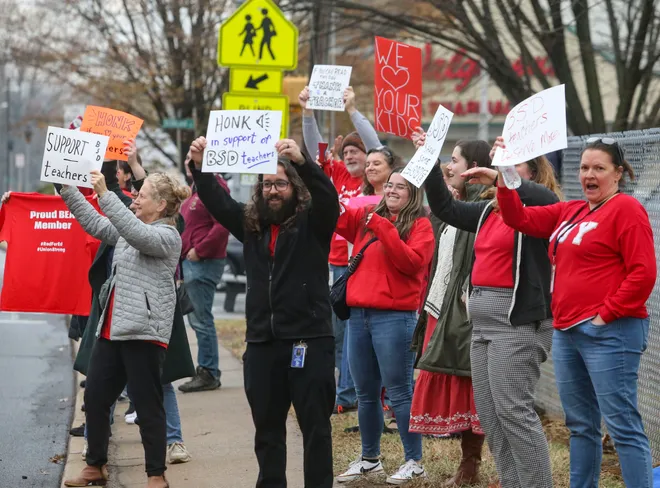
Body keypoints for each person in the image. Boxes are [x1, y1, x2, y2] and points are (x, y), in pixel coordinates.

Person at [494, 137, 656, 488]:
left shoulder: (626, 208)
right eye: (584, 167)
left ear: (618, 173)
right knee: (580, 425)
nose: (589, 174)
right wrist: (506, 175)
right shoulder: (571, 211)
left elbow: (643, 272)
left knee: (622, 424)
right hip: (567, 332)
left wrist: (605, 315)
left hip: (610, 332)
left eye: (599, 167)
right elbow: (517, 217)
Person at [188, 137, 339, 488]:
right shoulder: (250, 224)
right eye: (268, 184)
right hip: (262, 344)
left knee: (315, 428)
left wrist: (303, 162)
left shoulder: (313, 224)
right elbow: (217, 200)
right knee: (267, 431)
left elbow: (328, 197)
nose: (273, 190)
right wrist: (200, 165)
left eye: (281, 184)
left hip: (309, 340)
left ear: (294, 188)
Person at [425, 144, 562, 488]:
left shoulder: (544, 206)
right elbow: (445, 207)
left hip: (515, 325)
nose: (505, 170)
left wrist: (504, 175)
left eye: (514, 166)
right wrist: (429, 161)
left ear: (531, 172)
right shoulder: (489, 210)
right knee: (491, 417)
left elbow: (543, 198)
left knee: (514, 414)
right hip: (483, 324)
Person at [62, 170, 190, 488]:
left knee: (148, 406)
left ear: (161, 205)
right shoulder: (128, 228)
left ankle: (156, 474)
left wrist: (106, 194)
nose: (135, 198)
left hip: (144, 333)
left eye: (141, 195)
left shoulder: (167, 236)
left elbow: (135, 233)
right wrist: (65, 187)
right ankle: (95, 466)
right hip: (114, 329)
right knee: (95, 398)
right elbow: (96, 224)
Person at [334, 168, 434, 485]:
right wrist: (321, 173)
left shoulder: (421, 226)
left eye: (399, 187)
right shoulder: (366, 217)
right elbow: (335, 217)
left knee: (400, 393)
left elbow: (411, 263)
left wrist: (383, 226)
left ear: (413, 193)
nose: (391, 190)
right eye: (389, 184)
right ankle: (369, 459)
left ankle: (414, 461)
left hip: (395, 318)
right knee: (365, 394)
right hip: (359, 315)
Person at [408, 137, 492, 487]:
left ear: (473, 166)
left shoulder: (482, 208)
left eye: (454, 160)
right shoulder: (455, 206)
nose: (449, 166)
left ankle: (470, 465)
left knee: (474, 389)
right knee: (459, 383)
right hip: (440, 308)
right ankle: (466, 463)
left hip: (466, 311)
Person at [300, 86, 372, 413]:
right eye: (347, 153)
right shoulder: (338, 174)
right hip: (335, 264)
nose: (351, 157)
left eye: (357, 152)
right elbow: (315, 151)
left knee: (354, 332)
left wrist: (352, 110)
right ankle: (345, 393)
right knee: (338, 330)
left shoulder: (374, 181)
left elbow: (378, 147)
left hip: (362, 265)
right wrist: (307, 111)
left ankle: (350, 395)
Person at [178, 151, 230, 393]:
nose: (189, 159)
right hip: (191, 263)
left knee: (201, 319)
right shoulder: (196, 188)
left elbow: (224, 224)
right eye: (188, 155)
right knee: (197, 319)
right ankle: (206, 369)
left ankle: (209, 372)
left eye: (194, 156)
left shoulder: (215, 185)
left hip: (203, 262)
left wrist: (199, 250)